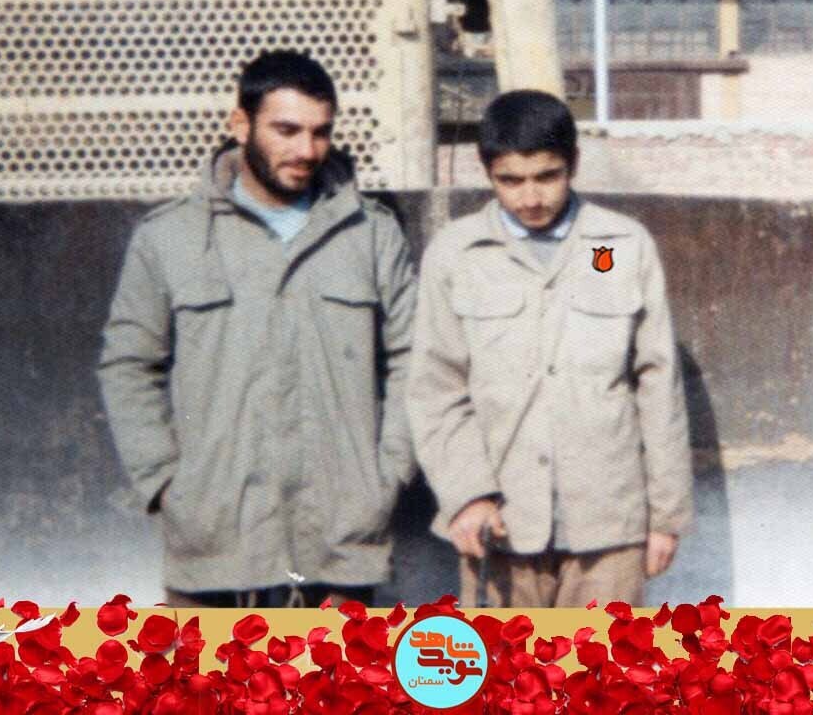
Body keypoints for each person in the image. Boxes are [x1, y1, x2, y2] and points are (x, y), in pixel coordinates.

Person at [98, 50, 417, 607]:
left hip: (341, 545)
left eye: (320, 132)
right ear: (240, 124)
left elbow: (416, 359)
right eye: (286, 130)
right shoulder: (169, 237)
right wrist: (167, 485)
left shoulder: (371, 234)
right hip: (213, 546)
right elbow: (128, 365)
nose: (306, 150)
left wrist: (386, 477)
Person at [407, 90, 693, 608]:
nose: (531, 197)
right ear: (487, 172)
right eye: (510, 180)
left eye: (547, 176)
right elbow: (436, 388)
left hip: (609, 527)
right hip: (499, 523)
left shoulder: (618, 245)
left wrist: (666, 516)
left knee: (604, 661)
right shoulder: (457, 254)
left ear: (573, 164)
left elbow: (658, 385)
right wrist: (466, 495)